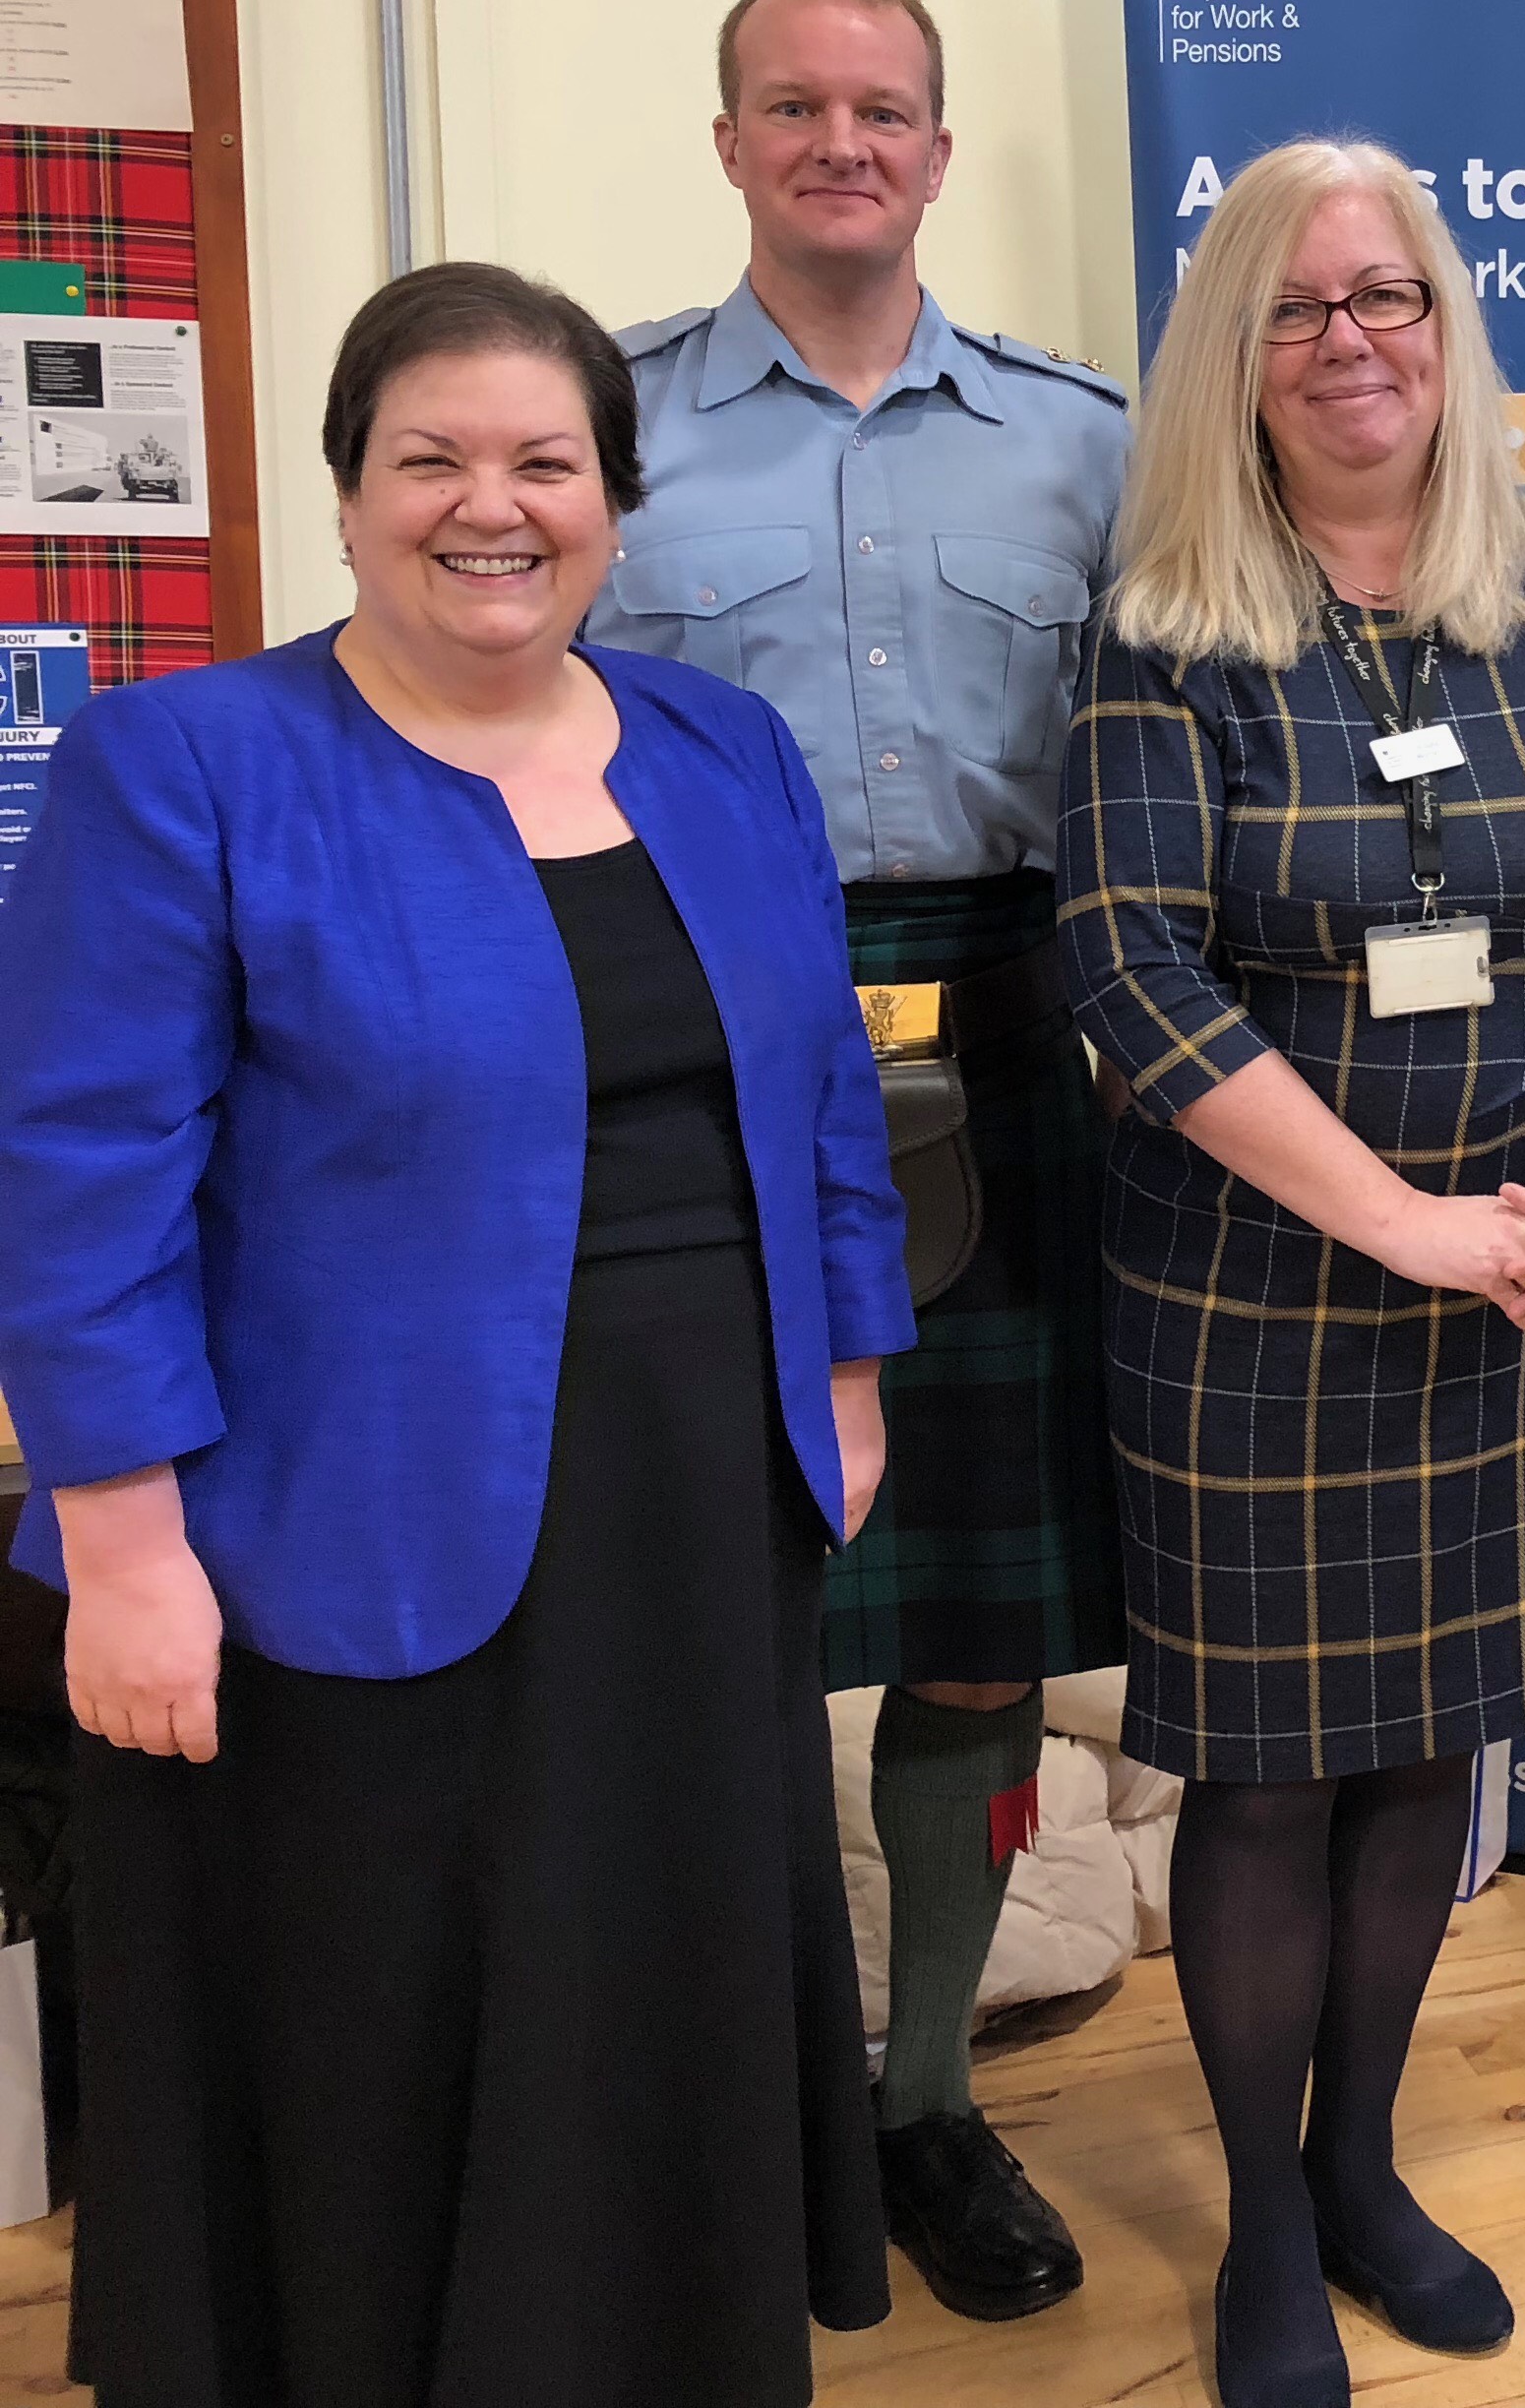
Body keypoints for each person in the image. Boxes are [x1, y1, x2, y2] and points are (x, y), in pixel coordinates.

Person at [0, 263, 907, 2402]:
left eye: (544, 464)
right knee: (380, 2009)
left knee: (651, 1967)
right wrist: (121, 1544)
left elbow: (827, 1099)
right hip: (336, 1515)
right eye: (432, 460)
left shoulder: (725, 746)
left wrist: (852, 1379)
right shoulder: (189, 763)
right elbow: (78, 1173)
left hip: (699, 1504)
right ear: (347, 493)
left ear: (614, 502)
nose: (490, 508)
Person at [1061, 136, 1525, 2406]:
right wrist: (1411, 1220)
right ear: (1233, 356)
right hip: (1253, 1305)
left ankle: (1363, 2169)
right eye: (1297, 307)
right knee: (1265, 1780)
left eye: (1388, 296)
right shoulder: (1166, 621)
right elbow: (1131, 972)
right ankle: (1264, 2224)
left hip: (1506, 1286)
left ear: (1446, 322)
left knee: (1430, 1741)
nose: (1351, 342)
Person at [584, 0, 1128, 2323]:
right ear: (727, 142)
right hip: (689, 1038)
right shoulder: (599, 422)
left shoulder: (1083, 441)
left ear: (937, 146)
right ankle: (737, 2097)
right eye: (793, 106)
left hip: (1009, 1040)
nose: (841, 143)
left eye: (882, 109)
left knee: (982, 1634)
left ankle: (922, 2100)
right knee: (702, 1611)